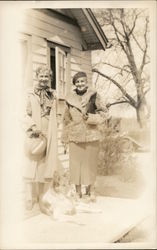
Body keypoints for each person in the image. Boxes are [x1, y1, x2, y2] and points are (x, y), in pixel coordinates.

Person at [61, 71, 108, 201]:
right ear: (74, 84)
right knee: (76, 165)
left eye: (82, 81)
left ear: (86, 82)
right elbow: (66, 119)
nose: (80, 84)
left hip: (91, 135)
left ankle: (91, 191)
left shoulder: (94, 96)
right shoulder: (69, 99)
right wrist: (64, 137)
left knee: (90, 164)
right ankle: (77, 192)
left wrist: (91, 118)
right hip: (74, 136)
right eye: (77, 82)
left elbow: (104, 114)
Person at [23, 66, 59, 210]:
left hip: (48, 131)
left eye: (47, 77)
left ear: (50, 79)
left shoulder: (52, 95)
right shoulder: (29, 93)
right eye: (41, 76)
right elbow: (23, 113)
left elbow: (56, 114)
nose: (44, 79)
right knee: (31, 162)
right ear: (36, 76)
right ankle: (29, 197)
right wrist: (32, 127)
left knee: (45, 164)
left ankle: (42, 197)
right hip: (34, 131)